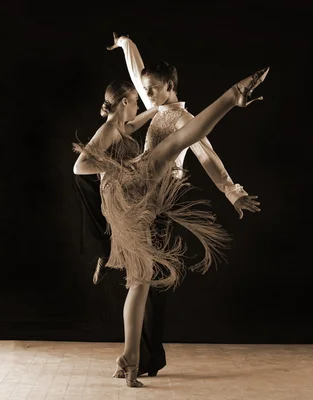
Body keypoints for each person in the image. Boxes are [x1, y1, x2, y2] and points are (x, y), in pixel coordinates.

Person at [73, 66, 269, 387]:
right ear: (125, 102)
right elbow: (82, 164)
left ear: (168, 86)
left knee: (140, 281)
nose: (145, 97)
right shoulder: (118, 125)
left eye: (151, 90)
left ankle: (131, 357)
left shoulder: (149, 115)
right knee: (176, 143)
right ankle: (232, 96)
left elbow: (205, 153)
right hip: (138, 184)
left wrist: (125, 45)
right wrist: (122, 169)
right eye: (140, 95)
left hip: (141, 198)